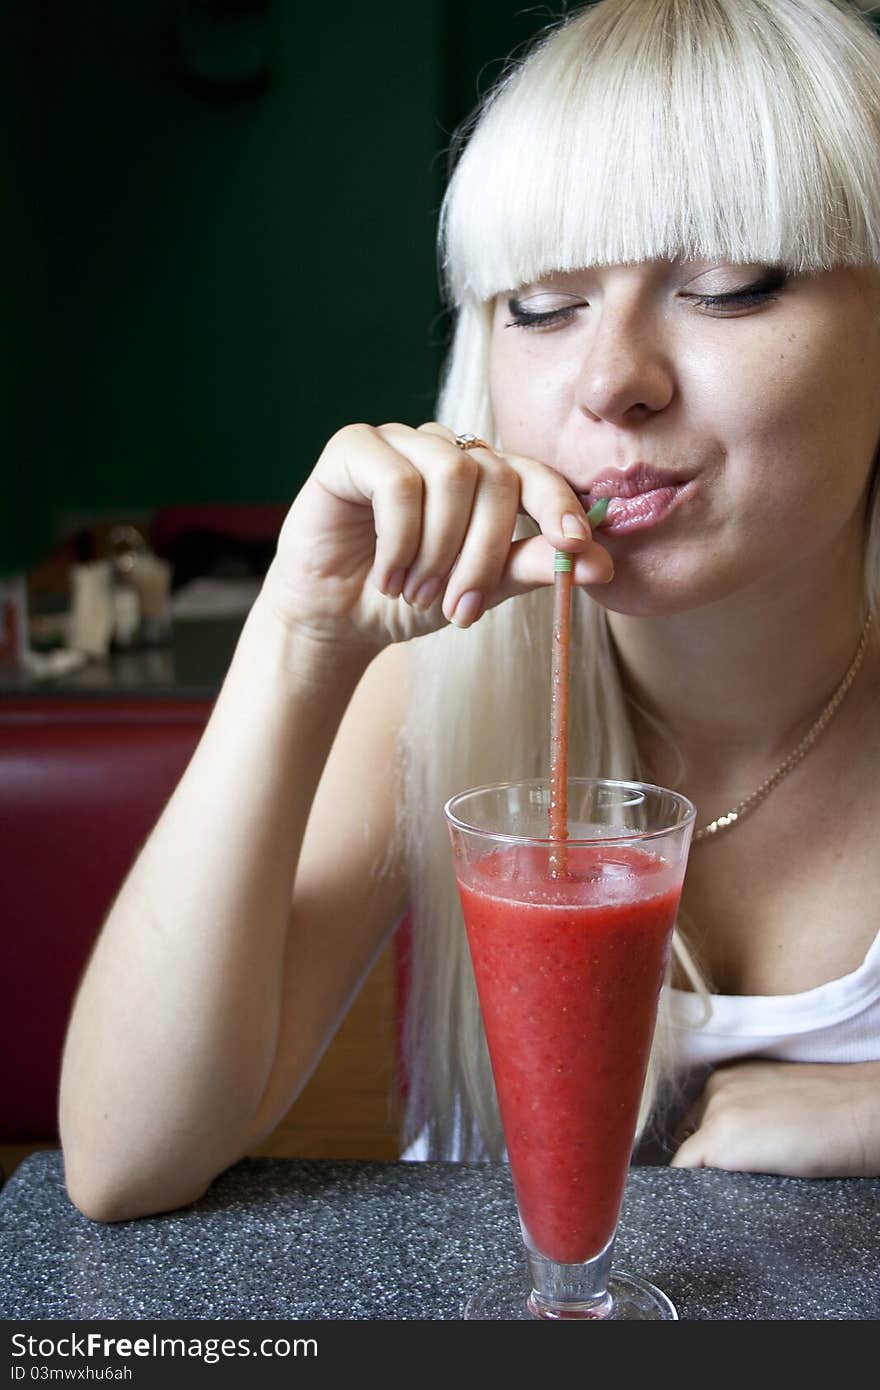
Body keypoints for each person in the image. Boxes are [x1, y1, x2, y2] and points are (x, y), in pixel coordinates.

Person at [60, 0, 880, 1221]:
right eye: (540, 308)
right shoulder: (439, 676)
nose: (610, 381)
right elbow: (127, 1158)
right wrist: (298, 636)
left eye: (726, 285)